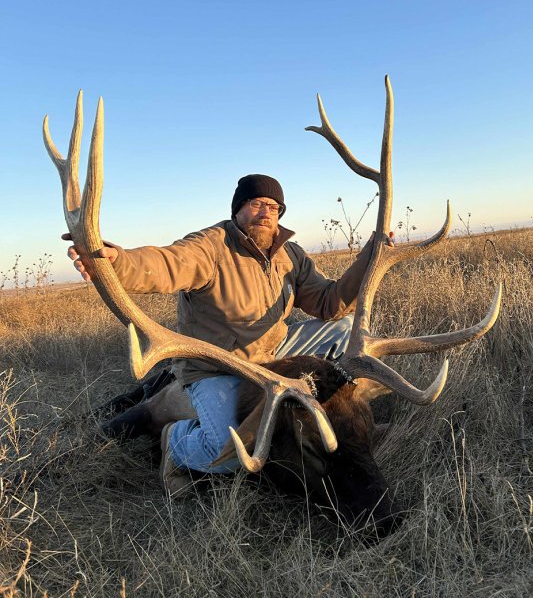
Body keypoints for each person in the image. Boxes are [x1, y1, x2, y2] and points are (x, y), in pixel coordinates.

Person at [65, 174, 374, 495]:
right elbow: (165, 263)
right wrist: (118, 261)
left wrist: (367, 258)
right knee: (229, 453)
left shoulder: (289, 256)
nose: (266, 213)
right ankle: (176, 441)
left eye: (274, 207)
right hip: (218, 367)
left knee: (343, 327)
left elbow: (329, 302)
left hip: (270, 356)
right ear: (239, 208)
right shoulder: (210, 247)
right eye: (256, 204)